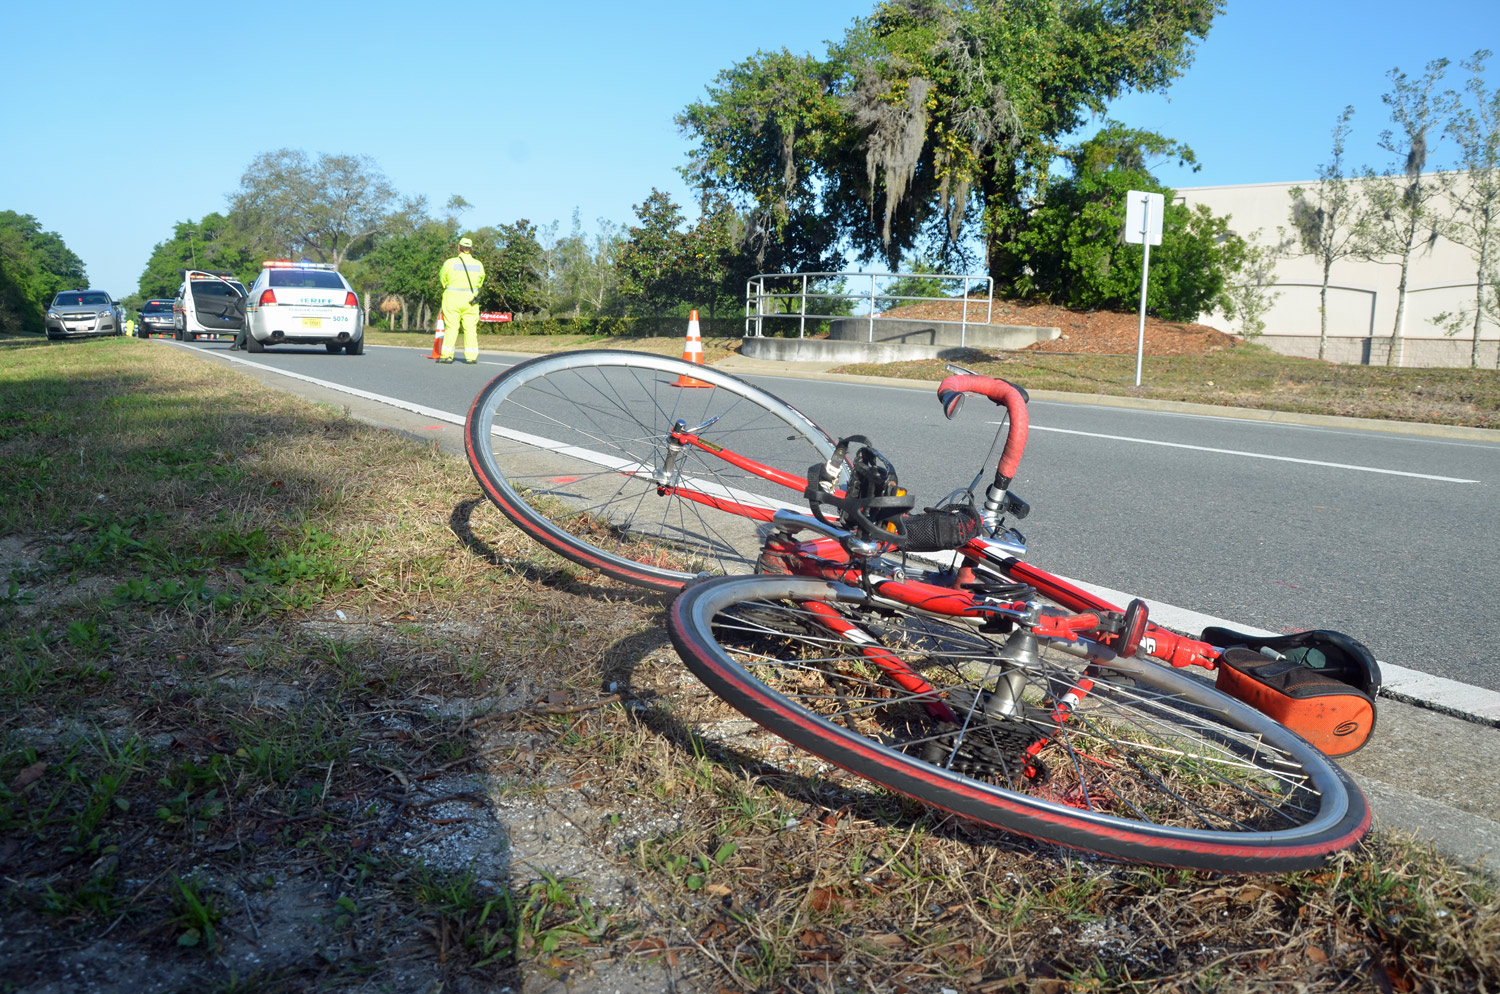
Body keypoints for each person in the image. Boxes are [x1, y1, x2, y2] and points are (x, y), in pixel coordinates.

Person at [438, 236, 485, 364]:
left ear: (458, 248)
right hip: (471, 301)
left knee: (452, 327)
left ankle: (447, 355)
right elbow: (480, 282)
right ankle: (471, 357)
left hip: (452, 300)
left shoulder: (449, 263)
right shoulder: (478, 264)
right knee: (470, 329)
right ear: (471, 249)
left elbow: (443, 279)